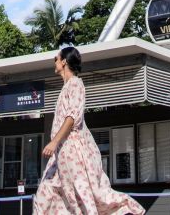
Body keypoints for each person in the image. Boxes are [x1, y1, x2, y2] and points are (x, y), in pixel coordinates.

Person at [33, 46, 145, 214]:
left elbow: (72, 117)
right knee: (46, 190)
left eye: (55, 59)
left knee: (80, 194)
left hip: (72, 149)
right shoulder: (66, 87)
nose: (54, 62)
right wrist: (56, 145)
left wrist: (54, 141)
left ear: (64, 61)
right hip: (60, 152)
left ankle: (127, 208)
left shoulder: (76, 84)